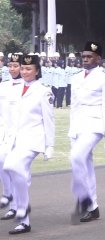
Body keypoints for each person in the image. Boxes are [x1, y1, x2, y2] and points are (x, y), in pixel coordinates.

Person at [2, 54, 55, 234]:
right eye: (22, 68)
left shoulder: (44, 91)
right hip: (15, 140)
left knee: (12, 166)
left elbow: (49, 120)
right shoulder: (15, 90)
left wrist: (50, 146)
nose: (24, 72)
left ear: (37, 71)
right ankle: (24, 221)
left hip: (33, 140)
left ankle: (22, 207)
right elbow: (10, 118)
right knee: (15, 171)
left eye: (28, 69)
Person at [69, 41, 105, 224]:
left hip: (95, 126)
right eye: (84, 56)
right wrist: (72, 129)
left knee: (76, 157)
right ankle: (92, 207)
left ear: (98, 59)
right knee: (85, 164)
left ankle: (83, 196)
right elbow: (74, 106)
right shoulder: (76, 78)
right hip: (79, 126)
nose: (86, 59)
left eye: (90, 57)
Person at [0, 53, 23, 221]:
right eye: (10, 66)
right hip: (5, 132)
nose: (12, 69)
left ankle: (16, 205)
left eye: (16, 66)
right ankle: (8, 195)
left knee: (14, 168)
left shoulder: (26, 86)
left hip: (20, 133)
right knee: (2, 163)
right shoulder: (4, 86)